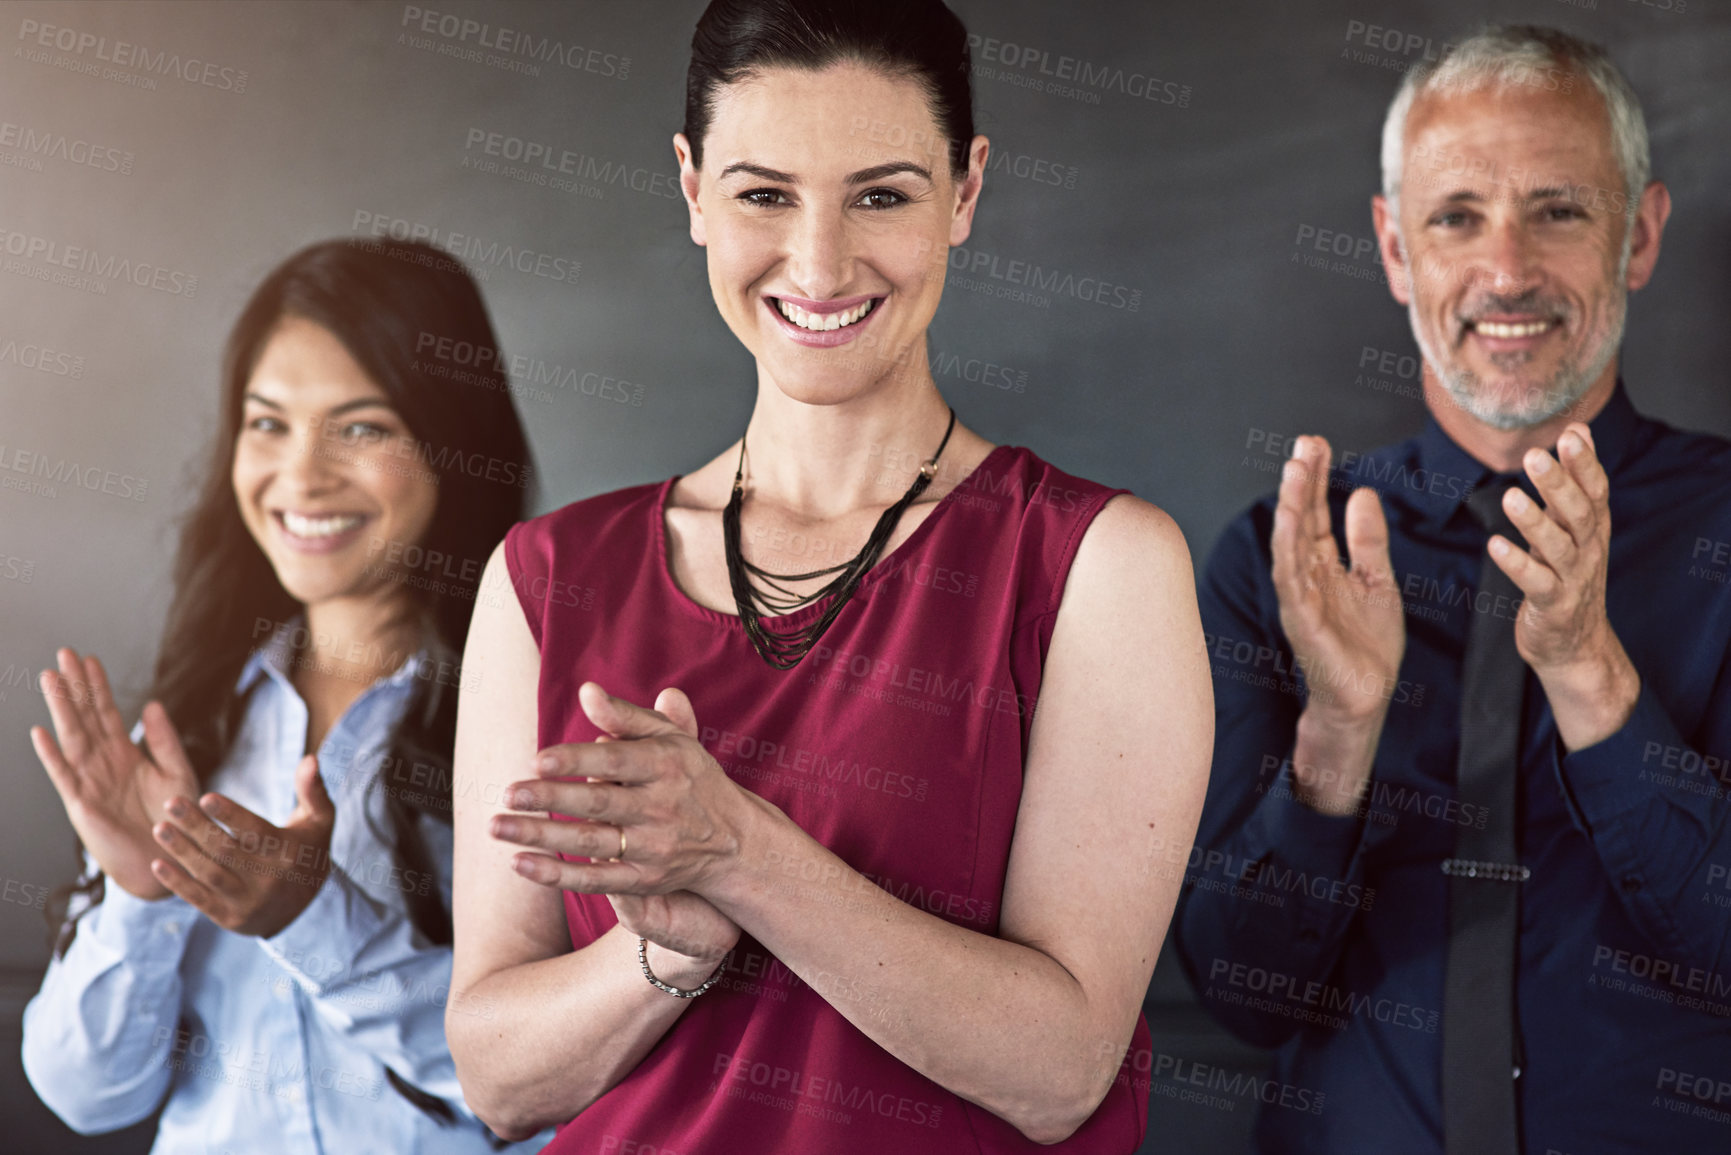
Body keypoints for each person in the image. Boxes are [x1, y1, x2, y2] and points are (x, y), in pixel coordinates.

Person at [445, 1, 1212, 1152]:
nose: (818, 261)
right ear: (693, 188)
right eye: (764, 194)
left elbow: (1061, 1073)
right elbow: (499, 1083)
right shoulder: (546, 581)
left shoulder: (1099, 566)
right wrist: (666, 954)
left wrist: (743, 857)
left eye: (883, 195)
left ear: (965, 192)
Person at [1175, 24, 1731, 1155]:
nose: (1508, 270)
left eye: (1561, 209)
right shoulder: (1277, 565)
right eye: (1456, 216)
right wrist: (1337, 735)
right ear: (1393, 249)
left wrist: (1591, 675)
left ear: (1642, 235)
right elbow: (1241, 993)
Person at [22, 238, 548, 1152]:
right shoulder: (189, 725)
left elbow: (533, 1087)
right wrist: (138, 894)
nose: (301, 477)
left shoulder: (538, 720)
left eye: (361, 426)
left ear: (452, 443)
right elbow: (89, 1094)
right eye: (267, 423)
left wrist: (315, 920)